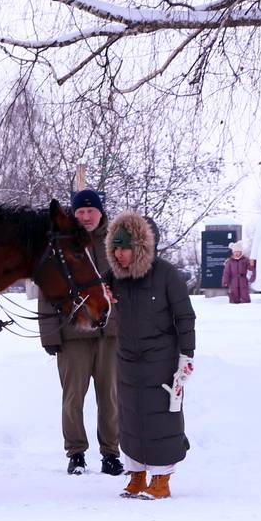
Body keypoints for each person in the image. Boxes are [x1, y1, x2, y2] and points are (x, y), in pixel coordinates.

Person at [104, 212, 196, 500]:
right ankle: (137, 475)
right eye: (115, 248)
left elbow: (185, 317)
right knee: (130, 419)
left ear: (141, 247)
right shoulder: (112, 280)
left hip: (162, 360)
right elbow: (91, 301)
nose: (119, 254)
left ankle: (161, 480)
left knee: (161, 419)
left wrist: (187, 355)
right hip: (127, 359)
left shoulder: (167, 275)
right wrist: (102, 296)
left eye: (125, 248)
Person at [38, 187, 122, 476]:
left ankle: (111, 453)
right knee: (73, 398)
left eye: (91, 211)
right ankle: (76, 454)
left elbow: (129, 281)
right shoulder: (63, 243)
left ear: (101, 213)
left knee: (109, 397)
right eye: (81, 211)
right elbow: (46, 292)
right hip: (73, 335)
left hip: (110, 334)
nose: (86, 216)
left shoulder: (115, 243)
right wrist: (50, 336)